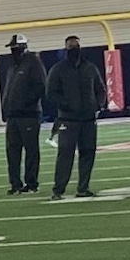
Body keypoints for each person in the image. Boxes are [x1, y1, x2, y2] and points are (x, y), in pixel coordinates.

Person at [46, 35, 103, 200]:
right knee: (65, 155)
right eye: (71, 47)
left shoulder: (90, 68)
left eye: (75, 46)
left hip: (88, 120)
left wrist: (97, 105)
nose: (74, 50)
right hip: (68, 120)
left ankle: (83, 188)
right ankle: (58, 190)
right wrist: (66, 105)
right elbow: (51, 93)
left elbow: (100, 89)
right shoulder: (58, 69)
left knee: (88, 153)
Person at [0, 36, 45, 195]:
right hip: (13, 115)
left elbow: (40, 86)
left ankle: (32, 183)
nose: (12, 51)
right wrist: (6, 109)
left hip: (28, 115)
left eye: (14, 47)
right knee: (12, 151)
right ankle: (15, 183)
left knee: (31, 150)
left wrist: (26, 103)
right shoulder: (12, 66)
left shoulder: (33, 62)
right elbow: (9, 90)